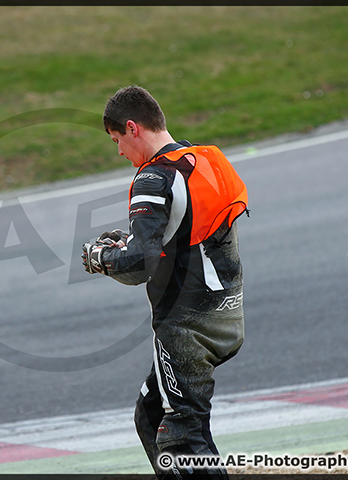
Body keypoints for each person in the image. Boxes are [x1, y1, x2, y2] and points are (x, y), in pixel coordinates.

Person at [82, 86, 248, 479]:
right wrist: (131, 242)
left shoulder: (154, 179)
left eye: (117, 141)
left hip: (186, 326)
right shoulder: (203, 159)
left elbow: (140, 264)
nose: (120, 152)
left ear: (132, 128)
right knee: (150, 413)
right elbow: (185, 232)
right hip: (226, 311)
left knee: (182, 436)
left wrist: (100, 258)